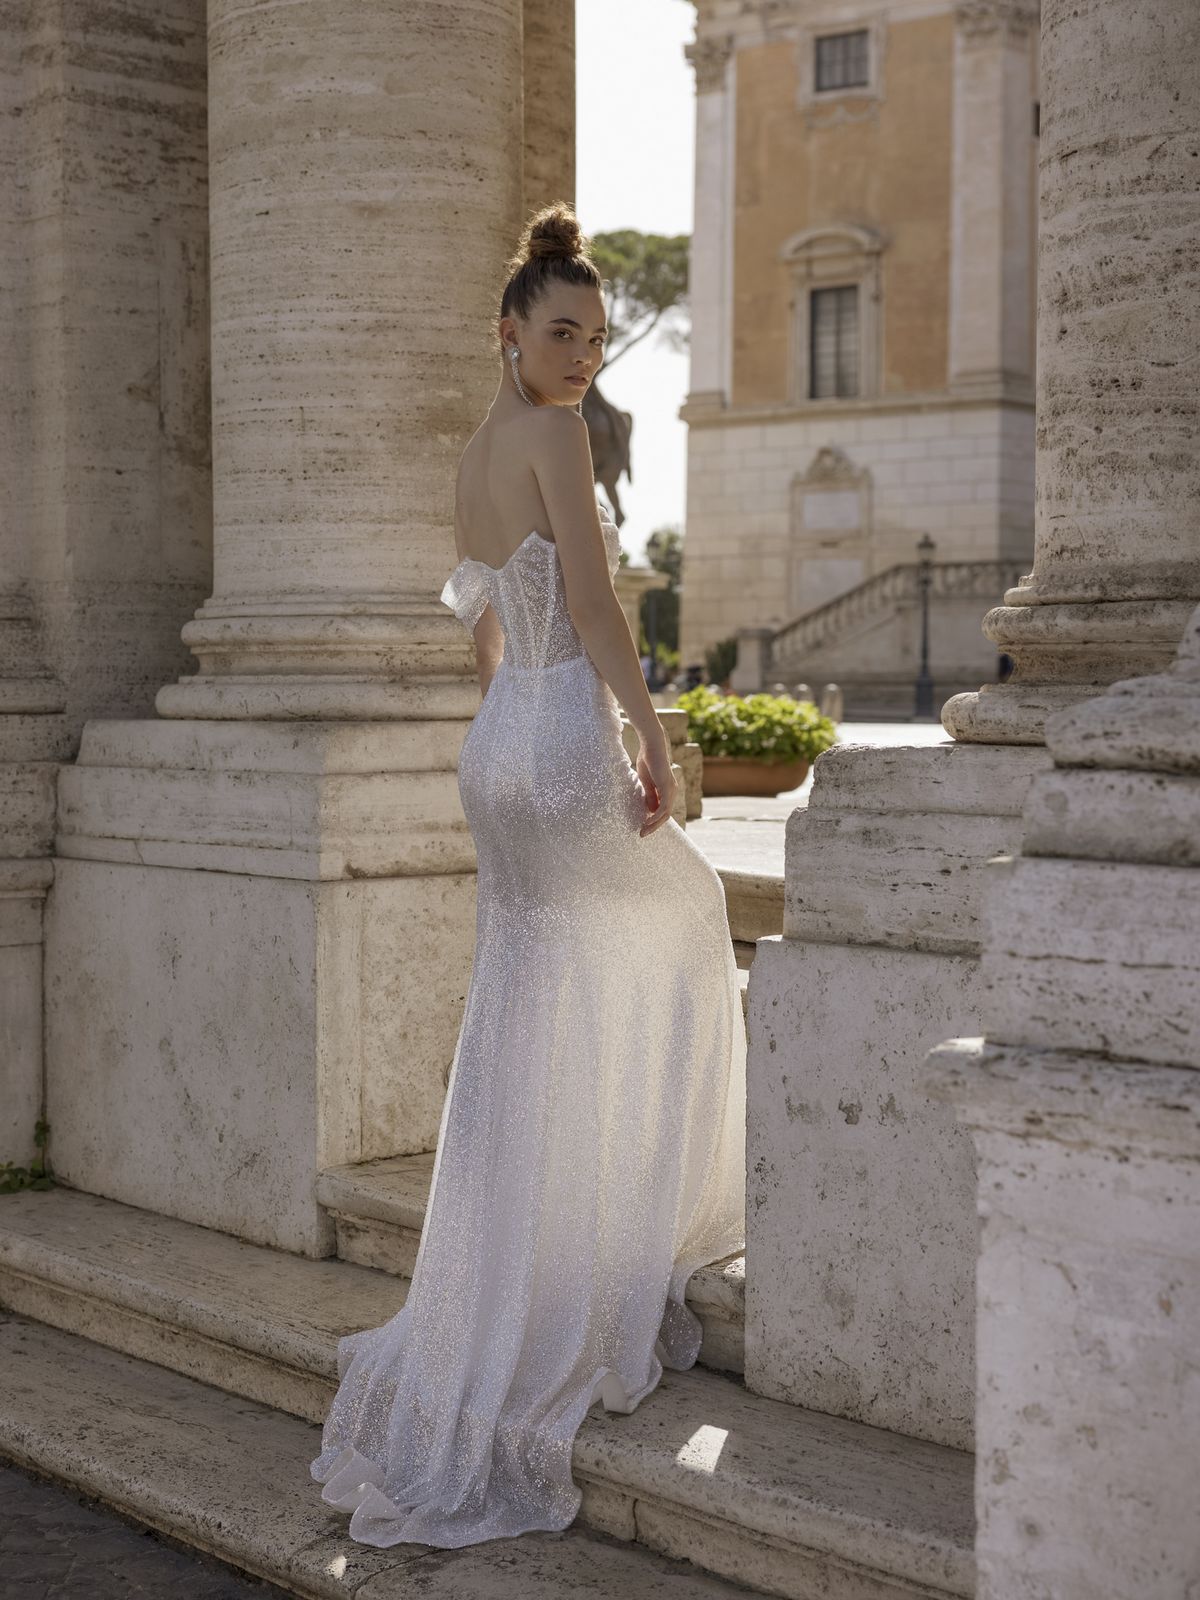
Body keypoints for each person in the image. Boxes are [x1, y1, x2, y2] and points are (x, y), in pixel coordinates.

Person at [309, 201, 746, 1549]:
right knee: (691, 917)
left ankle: (546, 1247)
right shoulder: (554, 436)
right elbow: (600, 610)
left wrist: (514, 733)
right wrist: (653, 735)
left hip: (496, 746)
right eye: (562, 333)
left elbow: (479, 614)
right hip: (556, 737)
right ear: (509, 333)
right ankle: (629, 1238)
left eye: (599, 340)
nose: (583, 359)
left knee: (536, 989)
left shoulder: (476, 450)